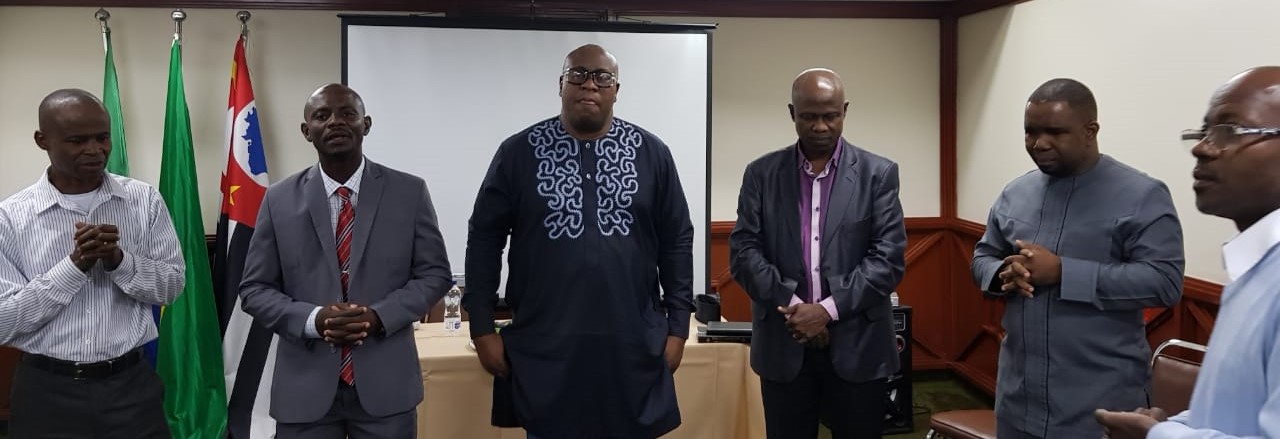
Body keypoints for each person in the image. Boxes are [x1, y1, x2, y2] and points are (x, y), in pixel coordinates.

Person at [463, 43, 695, 438]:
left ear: (616, 90)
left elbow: (677, 240)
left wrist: (678, 328)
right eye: (578, 74)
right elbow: (484, 238)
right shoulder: (518, 152)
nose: (590, 84)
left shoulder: (652, 154)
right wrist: (482, 328)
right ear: (561, 84)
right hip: (545, 345)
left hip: (632, 345)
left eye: (602, 77)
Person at [971, 78, 1185, 438]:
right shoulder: (1015, 192)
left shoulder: (1142, 195)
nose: (1039, 144)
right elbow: (983, 255)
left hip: (1100, 406)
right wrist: (1001, 272)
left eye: (1054, 132)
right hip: (1017, 400)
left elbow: (1164, 282)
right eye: (1030, 132)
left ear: (1090, 131)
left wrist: (1064, 273)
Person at [239, 83, 452, 438]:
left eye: (347, 113)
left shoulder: (409, 192)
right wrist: (312, 320)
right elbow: (255, 289)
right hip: (304, 392)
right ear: (307, 131)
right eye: (322, 115)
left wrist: (379, 316)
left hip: (387, 389)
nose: (335, 121)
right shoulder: (278, 200)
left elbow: (434, 274)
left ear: (365, 124)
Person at [1095, 66, 1280, 439]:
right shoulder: (1257, 269)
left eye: (1229, 131)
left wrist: (1156, 437)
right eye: (1204, 131)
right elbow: (1239, 409)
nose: (1201, 147)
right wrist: (1173, 426)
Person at [728, 68, 907, 439]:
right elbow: (744, 252)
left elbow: (887, 258)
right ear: (793, 113)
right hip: (783, 341)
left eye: (831, 115)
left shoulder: (878, 173)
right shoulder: (761, 174)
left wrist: (825, 311)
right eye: (809, 116)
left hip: (859, 345)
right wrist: (795, 309)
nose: (821, 126)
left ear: (845, 110)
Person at [0, 89, 185, 438]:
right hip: (46, 393)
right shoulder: (10, 218)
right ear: (43, 140)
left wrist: (119, 261)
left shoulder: (144, 201)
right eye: (77, 140)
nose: (94, 149)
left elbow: (172, 285)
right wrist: (73, 268)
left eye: (102, 137)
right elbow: (4, 321)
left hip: (130, 388)